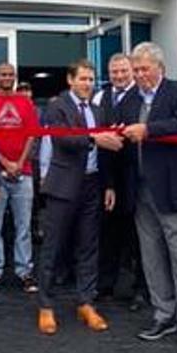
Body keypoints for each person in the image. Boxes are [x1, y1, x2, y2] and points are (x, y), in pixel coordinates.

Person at [118, 43, 177, 353]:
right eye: (136, 70)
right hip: (141, 192)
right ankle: (163, 314)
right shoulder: (128, 99)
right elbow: (123, 136)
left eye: (144, 69)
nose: (140, 75)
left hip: (175, 191)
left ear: (159, 67)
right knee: (152, 258)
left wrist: (148, 130)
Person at [35, 60, 123, 335]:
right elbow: (64, 139)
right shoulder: (57, 106)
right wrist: (96, 138)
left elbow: (106, 149)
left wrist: (108, 184)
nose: (87, 84)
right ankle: (46, 306)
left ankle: (86, 301)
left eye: (91, 79)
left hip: (92, 184)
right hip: (63, 185)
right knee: (54, 246)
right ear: (70, 80)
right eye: (83, 79)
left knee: (89, 245)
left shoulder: (97, 110)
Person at [0, 62, 42, 295]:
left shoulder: (25, 103)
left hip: (23, 172)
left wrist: (18, 163)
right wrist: (5, 163)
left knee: (24, 226)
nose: (7, 78)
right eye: (3, 74)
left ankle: (24, 271)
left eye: (11, 75)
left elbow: (32, 136)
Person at [95, 53, 143, 304]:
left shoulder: (142, 96)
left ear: (132, 71)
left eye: (123, 71)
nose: (119, 76)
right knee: (108, 234)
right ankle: (105, 286)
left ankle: (140, 289)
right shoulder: (101, 97)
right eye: (114, 72)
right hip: (109, 175)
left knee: (138, 236)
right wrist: (108, 183)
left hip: (136, 175)